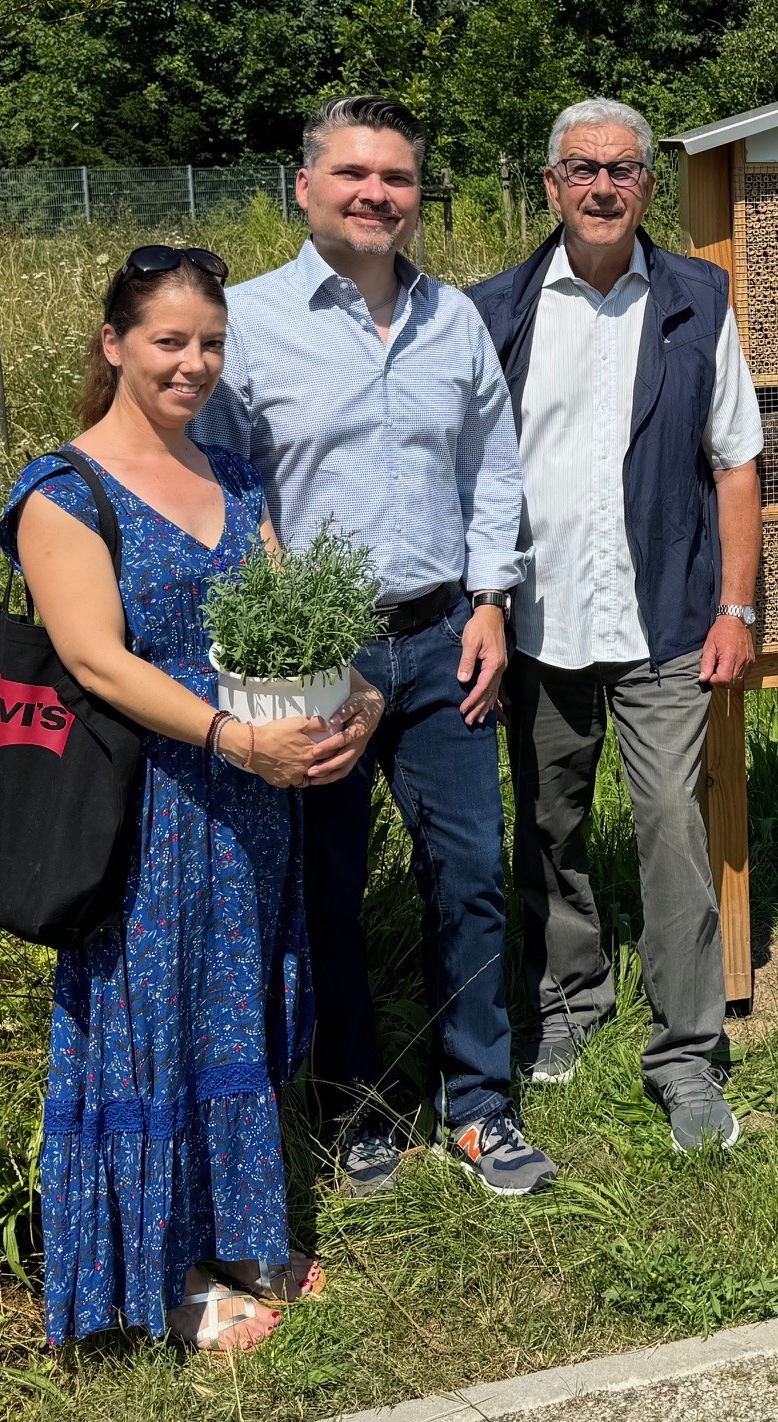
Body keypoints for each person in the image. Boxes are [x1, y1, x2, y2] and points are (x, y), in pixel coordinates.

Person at [4, 246, 383, 1353]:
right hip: (142, 811)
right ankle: (157, 1282)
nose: (194, 363)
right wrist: (233, 738)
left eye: (211, 343)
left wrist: (349, 694)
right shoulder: (62, 491)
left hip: (252, 806)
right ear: (113, 343)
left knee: (238, 1017)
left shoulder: (233, 477)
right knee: (148, 1030)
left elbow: (286, 620)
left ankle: (244, 1236)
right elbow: (98, 662)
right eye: (170, 340)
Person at [193, 96, 555, 1198]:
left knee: (472, 878)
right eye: (353, 173)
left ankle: (480, 1104)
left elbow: (492, 468)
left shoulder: (455, 324)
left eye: (396, 177)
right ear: (303, 188)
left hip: (446, 640)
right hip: (314, 661)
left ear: (415, 195)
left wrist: (491, 598)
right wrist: (302, 633)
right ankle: (355, 1105)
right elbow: (221, 485)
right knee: (330, 890)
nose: (375, 194)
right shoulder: (245, 325)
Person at [469, 99, 765, 1153]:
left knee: (672, 828)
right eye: (582, 170)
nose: (603, 188)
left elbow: (736, 461)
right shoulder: (497, 309)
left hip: (669, 624)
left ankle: (686, 1055)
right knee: (551, 825)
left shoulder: (698, 299)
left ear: (651, 187)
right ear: (550, 186)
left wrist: (736, 606)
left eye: (625, 170)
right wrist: (487, 605)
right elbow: (475, 475)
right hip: (539, 631)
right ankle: (570, 1001)